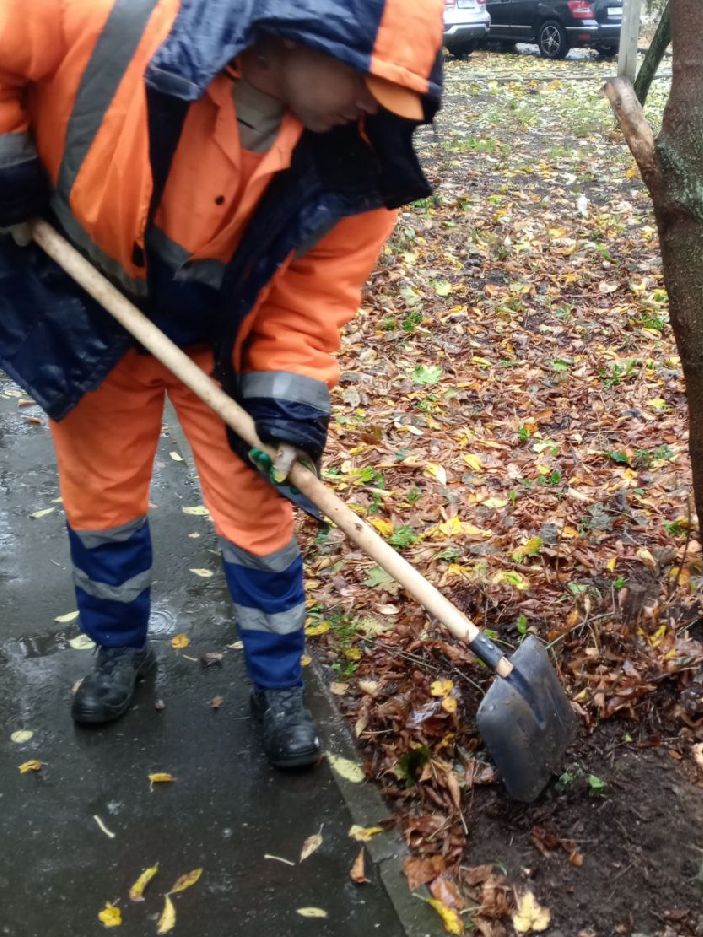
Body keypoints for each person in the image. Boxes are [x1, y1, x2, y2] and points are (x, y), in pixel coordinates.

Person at [0, 0, 443, 768]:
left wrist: (283, 412)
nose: (374, 107)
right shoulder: (109, 17)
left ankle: (277, 688)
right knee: (101, 503)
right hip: (93, 305)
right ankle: (118, 653)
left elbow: (310, 305)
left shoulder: (359, 163)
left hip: (220, 344)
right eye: (370, 83)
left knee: (260, 510)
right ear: (309, 34)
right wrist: (7, 170)